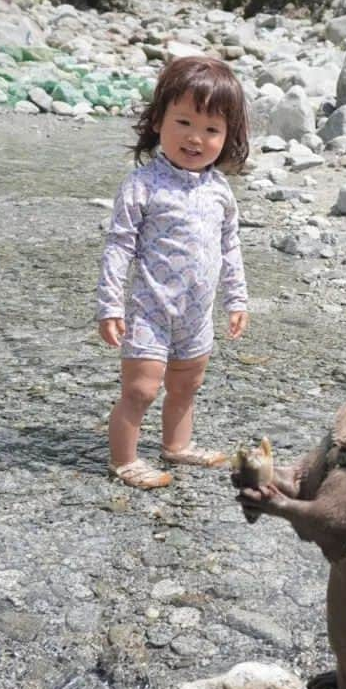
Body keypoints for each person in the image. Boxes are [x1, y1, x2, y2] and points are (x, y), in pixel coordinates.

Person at [96, 56, 250, 489]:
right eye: (183, 122)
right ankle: (124, 460)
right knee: (141, 390)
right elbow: (119, 245)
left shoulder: (220, 191)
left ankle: (176, 446)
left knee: (187, 385)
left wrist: (237, 299)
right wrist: (110, 304)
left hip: (196, 315)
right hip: (150, 310)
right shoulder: (143, 185)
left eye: (212, 130)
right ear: (158, 120)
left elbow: (230, 247)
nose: (195, 138)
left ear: (228, 137)